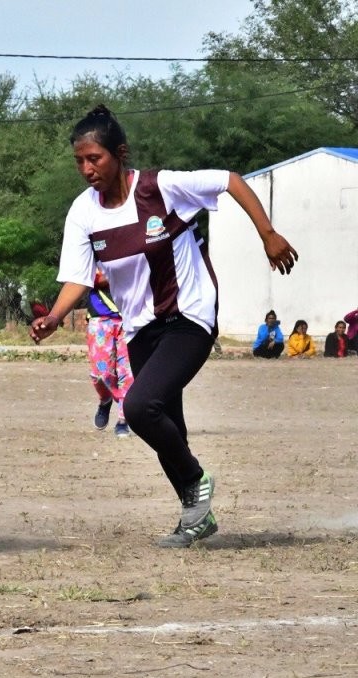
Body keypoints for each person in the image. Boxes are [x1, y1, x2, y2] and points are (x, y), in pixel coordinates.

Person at [29, 104, 298, 548]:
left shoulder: (160, 188)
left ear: (120, 153)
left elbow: (229, 179)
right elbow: (78, 276)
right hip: (139, 327)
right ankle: (196, 518)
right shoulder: (83, 213)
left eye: (94, 158)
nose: (86, 169)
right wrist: (55, 318)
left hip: (188, 316)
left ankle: (196, 480)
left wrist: (267, 233)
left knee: (138, 408)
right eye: (79, 161)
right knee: (167, 421)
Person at [85, 270, 133, 438]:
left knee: (128, 373)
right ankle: (105, 399)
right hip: (100, 318)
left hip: (131, 317)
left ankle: (123, 420)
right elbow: (93, 278)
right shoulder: (95, 249)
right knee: (100, 373)